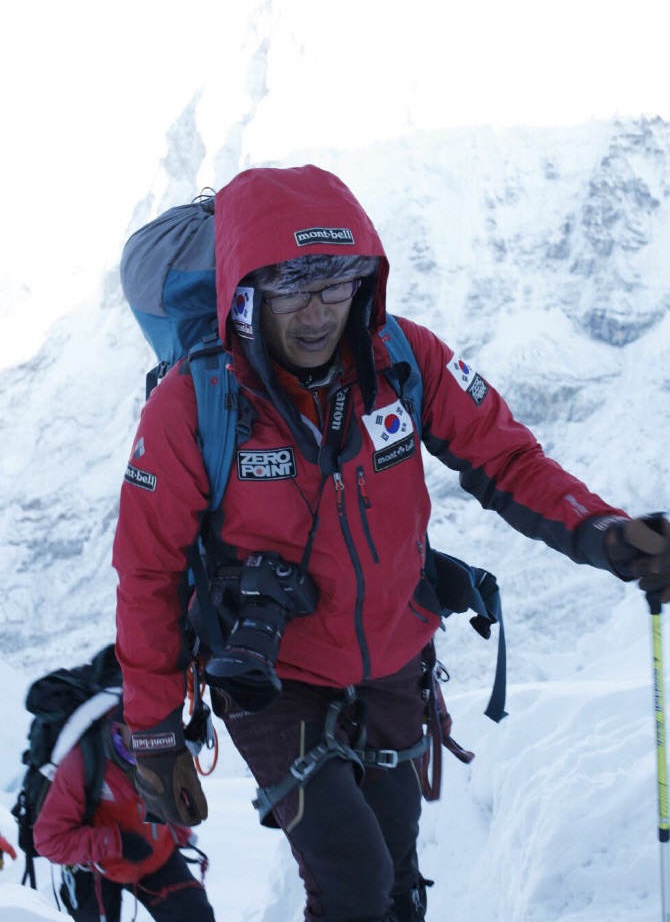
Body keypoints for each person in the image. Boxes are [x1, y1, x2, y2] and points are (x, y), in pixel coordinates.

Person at [114, 164, 670, 922]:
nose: (317, 312)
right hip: (270, 682)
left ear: (366, 280)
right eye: (291, 286)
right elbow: (148, 570)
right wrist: (151, 736)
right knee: (353, 884)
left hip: (395, 665)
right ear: (244, 291)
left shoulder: (403, 360)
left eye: (337, 283)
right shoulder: (193, 405)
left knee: (400, 883)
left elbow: (507, 459)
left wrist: (606, 534)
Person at [33, 704, 215, 922]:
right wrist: (115, 843)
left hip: (157, 855)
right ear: (117, 724)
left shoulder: (162, 748)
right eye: (139, 728)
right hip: (95, 869)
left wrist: (178, 831)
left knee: (197, 916)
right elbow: (48, 841)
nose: (149, 739)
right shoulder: (82, 762)